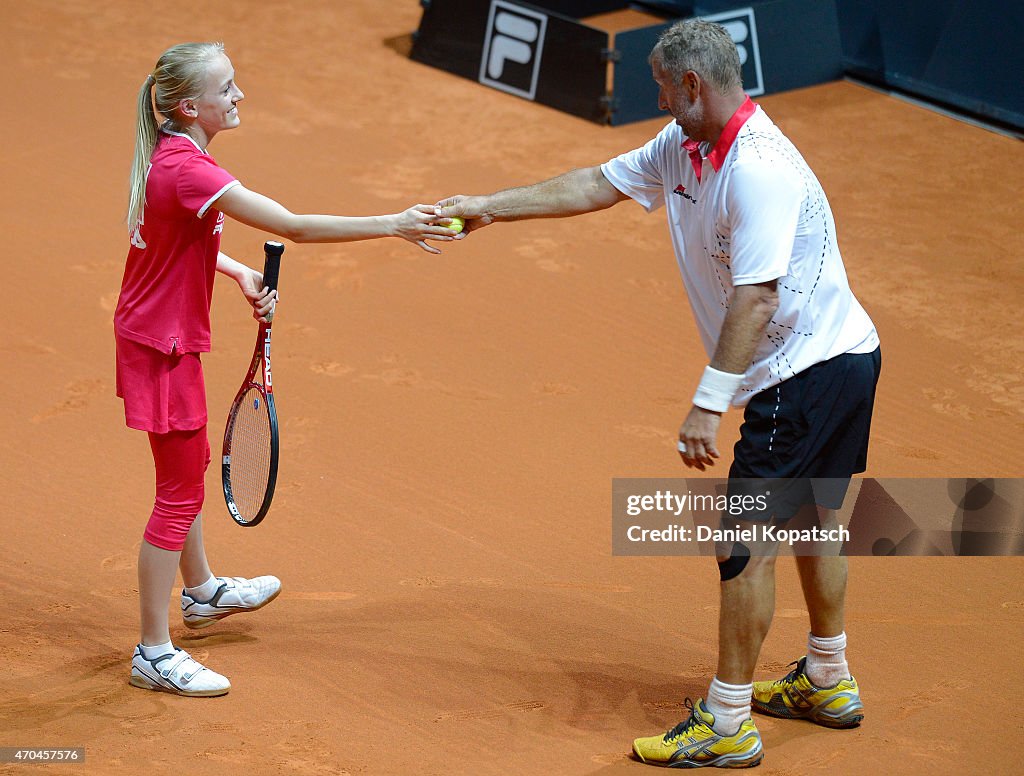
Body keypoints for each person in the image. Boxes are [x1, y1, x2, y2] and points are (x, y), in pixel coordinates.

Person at [436, 19, 880, 768]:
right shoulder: (684, 145)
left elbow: (758, 296)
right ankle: (828, 677)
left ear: (693, 85)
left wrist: (711, 400)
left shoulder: (758, 167)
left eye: (663, 88)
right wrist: (490, 206)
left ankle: (728, 722)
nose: (659, 100)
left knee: (745, 544)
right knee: (814, 519)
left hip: (804, 372)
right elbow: (592, 185)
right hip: (844, 355)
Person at [116, 42, 454, 697]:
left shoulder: (174, 157)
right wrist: (394, 223)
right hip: (161, 352)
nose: (239, 96)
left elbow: (175, 243)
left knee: (182, 475)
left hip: (160, 340)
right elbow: (295, 226)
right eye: (228, 87)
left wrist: (238, 269)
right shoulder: (190, 171)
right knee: (179, 494)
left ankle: (204, 592)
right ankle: (153, 651)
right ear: (191, 106)